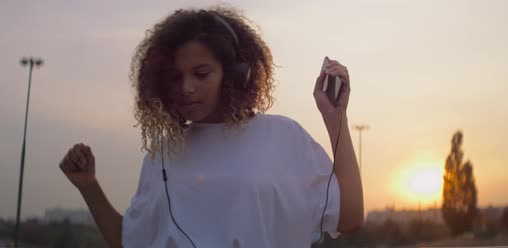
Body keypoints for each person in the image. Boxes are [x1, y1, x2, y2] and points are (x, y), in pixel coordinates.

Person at [59, 6, 363, 248]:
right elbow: (130, 241)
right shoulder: (163, 152)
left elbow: (348, 219)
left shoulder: (283, 136)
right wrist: (88, 185)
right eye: (176, 78)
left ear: (236, 74)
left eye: (201, 74)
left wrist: (335, 118)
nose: (186, 88)